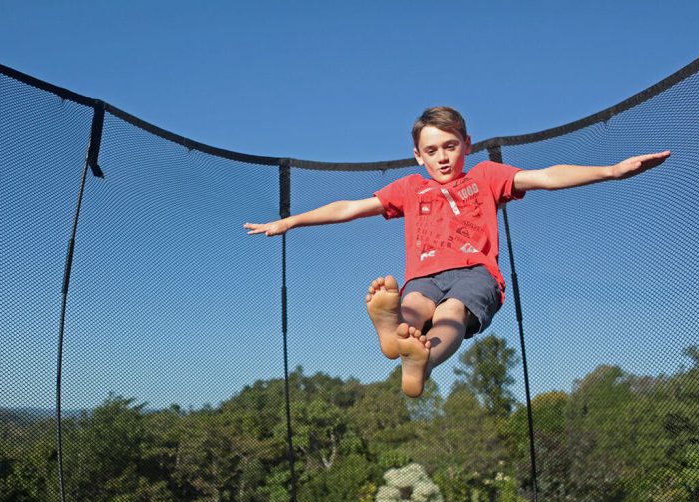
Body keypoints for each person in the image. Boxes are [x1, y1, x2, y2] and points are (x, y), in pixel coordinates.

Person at [245, 106, 670, 397]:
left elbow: (546, 176)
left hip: (475, 273)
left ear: (466, 143)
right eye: (432, 150)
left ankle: (419, 356)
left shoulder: (486, 176)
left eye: (450, 146)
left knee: (449, 315)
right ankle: (395, 334)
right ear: (418, 155)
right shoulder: (410, 188)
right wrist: (291, 220)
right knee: (411, 302)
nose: (443, 157)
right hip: (424, 275)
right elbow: (351, 207)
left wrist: (611, 171)